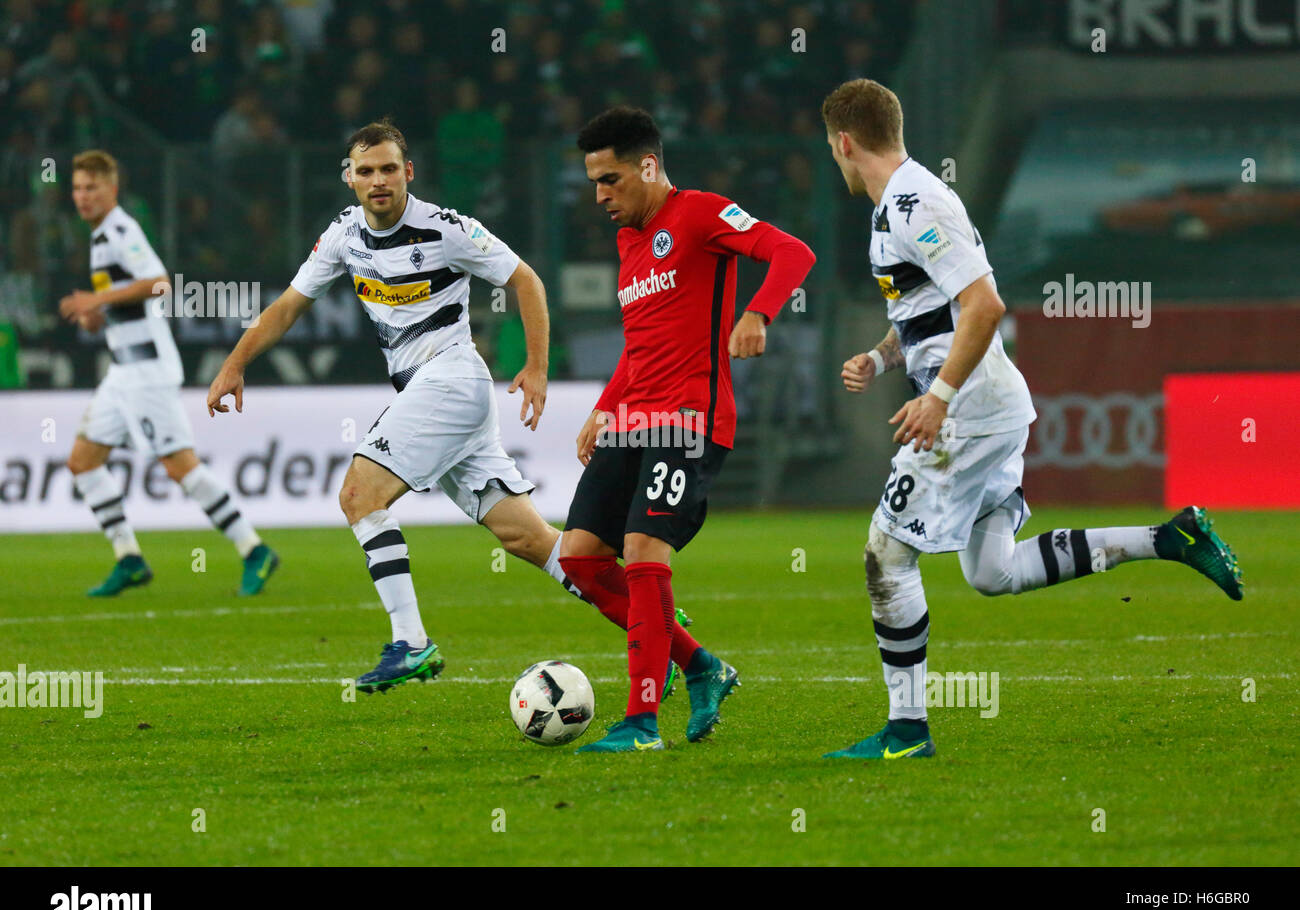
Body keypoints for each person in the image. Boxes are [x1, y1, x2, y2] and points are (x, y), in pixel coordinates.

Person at [820, 79, 1243, 760]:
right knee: (993, 573)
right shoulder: (895, 208)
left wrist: (940, 397)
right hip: (991, 410)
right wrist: (880, 356)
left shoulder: (913, 202)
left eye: (833, 150)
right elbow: (935, 313)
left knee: (886, 555)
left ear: (843, 142)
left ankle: (906, 732)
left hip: (970, 415)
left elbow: (986, 306)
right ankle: (1170, 539)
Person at [205, 120, 687, 695]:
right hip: (432, 394)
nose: (378, 180)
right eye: (366, 171)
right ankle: (662, 625)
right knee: (530, 541)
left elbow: (525, 280)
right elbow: (287, 306)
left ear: (408, 173)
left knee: (359, 496)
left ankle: (410, 643)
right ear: (351, 179)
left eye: (389, 169)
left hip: (452, 380)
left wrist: (536, 366)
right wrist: (235, 364)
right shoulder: (342, 236)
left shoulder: (445, 229)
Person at [561, 107, 816, 753]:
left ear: (648, 165)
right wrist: (603, 407)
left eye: (611, 179)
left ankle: (641, 723)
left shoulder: (702, 213)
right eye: (594, 182)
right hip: (632, 419)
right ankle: (702, 666)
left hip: (689, 421)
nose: (601, 196)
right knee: (581, 559)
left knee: (645, 554)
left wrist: (757, 313)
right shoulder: (628, 244)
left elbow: (792, 251)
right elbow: (639, 344)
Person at [60, 150, 278, 597]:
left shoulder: (121, 229)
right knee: (83, 462)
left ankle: (253, 549)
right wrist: (95, 316)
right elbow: (124, 302)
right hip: (122, 371)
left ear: (111, 189)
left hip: (147, 371)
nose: (83, 197)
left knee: (180, 467)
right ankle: (130, 559)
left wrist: (97, 301)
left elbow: (160, 282)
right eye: (78, 188)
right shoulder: (100, 238)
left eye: (92, 188)